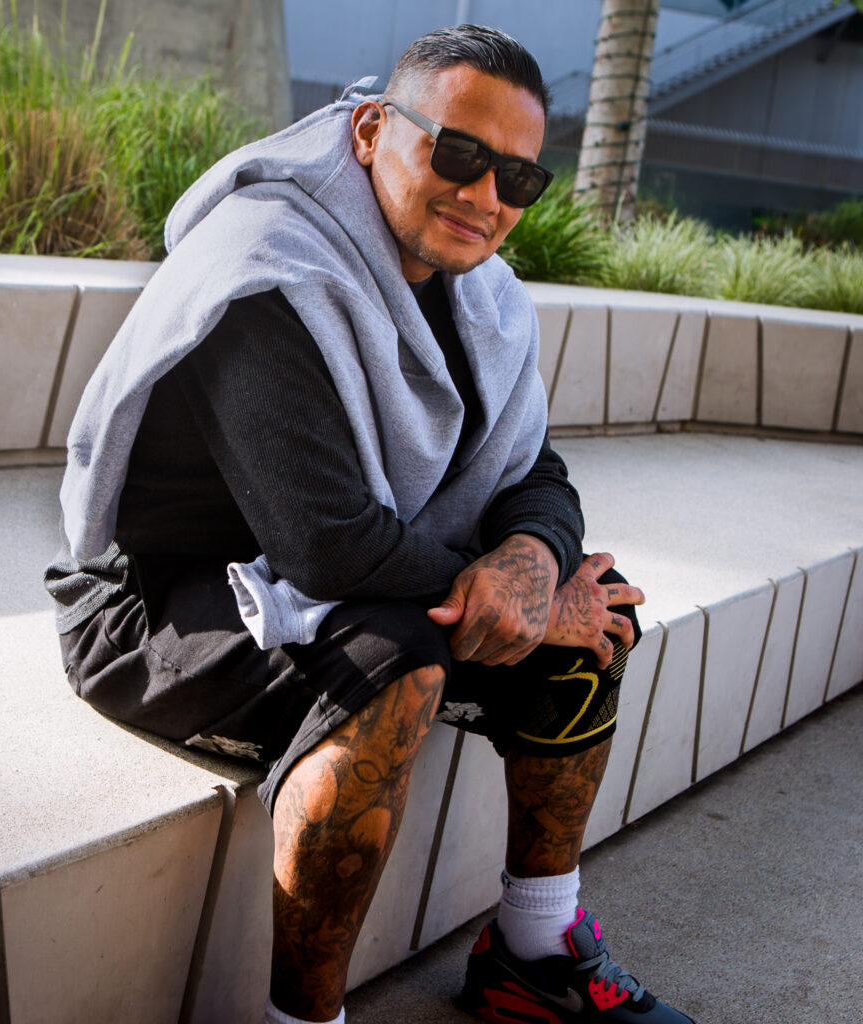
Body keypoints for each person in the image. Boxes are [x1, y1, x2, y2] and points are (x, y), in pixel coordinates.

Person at [45, 23, 696, 1024]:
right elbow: (326, 543)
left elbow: (534, 470)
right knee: (399, 657)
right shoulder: (264, 268)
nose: (485, 197)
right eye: (459, 153)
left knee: (593, 615)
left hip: (340, 574)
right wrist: (520, 603)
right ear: (366, 132)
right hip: (163, 609)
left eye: (516, 180)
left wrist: (529, 563)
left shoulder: (479, 292)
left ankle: (534, 942)